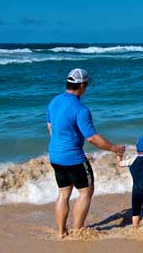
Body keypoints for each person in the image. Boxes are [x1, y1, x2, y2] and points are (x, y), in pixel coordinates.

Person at [46, 68, 125, 238]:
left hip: (55, 155)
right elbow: (92, 138)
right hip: (73, 157)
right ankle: (77, 230)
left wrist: (60, 142)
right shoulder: (81, 109)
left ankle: (61, 232)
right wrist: (115, 149)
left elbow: (50, 126)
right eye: (87, 85)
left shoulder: (54, 102)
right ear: (82, 86)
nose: (87, 88)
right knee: (86, 192)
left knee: (63, 193)